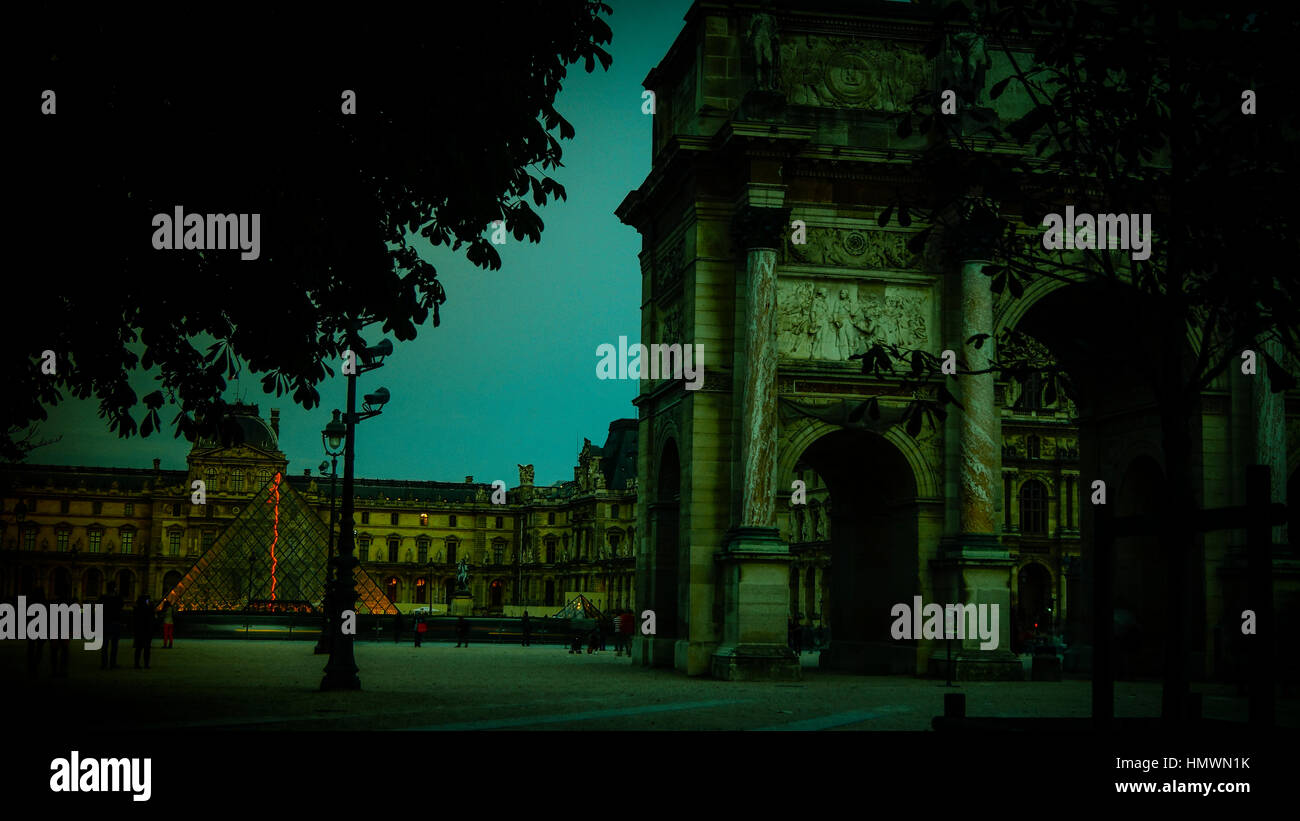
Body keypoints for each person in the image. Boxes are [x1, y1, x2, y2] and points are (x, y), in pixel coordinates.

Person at [100, 583, 123, 669]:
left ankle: (104, 664)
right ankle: (112, 663)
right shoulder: (118, 598)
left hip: (105, 622)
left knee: (105, 645)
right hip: (115, 622)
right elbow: (121, 607)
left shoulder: (103, 597)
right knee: (114, 645)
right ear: (115, 588)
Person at [133, 595, 155, 669]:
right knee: (147, 649)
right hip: (147, 631)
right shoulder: (149, 609)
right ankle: (146, 664)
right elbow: (152, 618)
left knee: (138, 649)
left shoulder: (136, 609)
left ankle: (136, 664)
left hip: (139, 631)